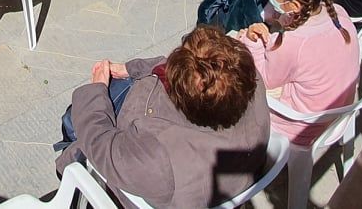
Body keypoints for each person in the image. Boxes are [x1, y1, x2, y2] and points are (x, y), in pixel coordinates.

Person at [55, 26, 270, 208]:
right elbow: (201, 71)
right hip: (230, 181)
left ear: (181, 97)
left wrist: (97, 88)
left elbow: (100, 142)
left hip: (136, 179)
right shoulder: (246, 80)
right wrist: (133, 68)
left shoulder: (160, 155)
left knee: (72, 121)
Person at [234, 0, 359, 145]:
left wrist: (251, 42)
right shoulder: (338, 13)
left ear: (294, 5)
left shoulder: (293, 43)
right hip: (339, 109)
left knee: (234, 76)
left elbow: (265, 79)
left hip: (301, 124)